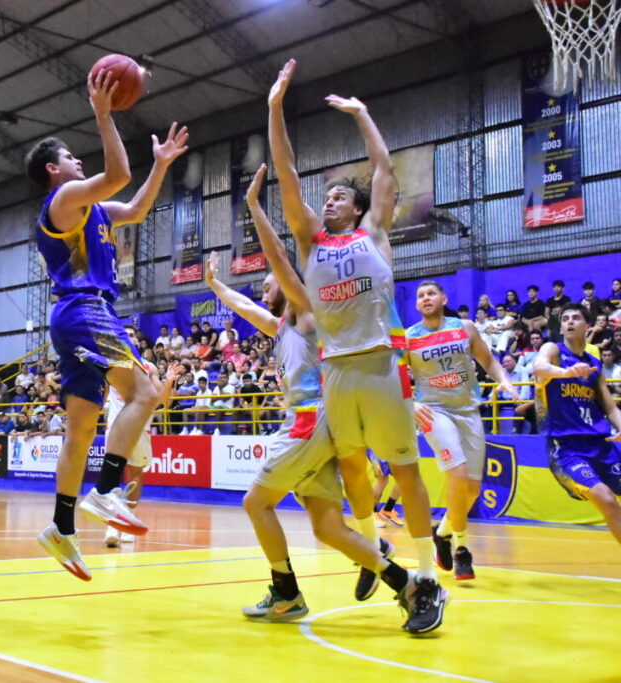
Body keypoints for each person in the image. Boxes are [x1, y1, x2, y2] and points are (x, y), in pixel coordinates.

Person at [203, 166, 439, 633]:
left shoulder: (310, 311)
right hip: (322, 425)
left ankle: (286, 593)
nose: (266, 287)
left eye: (269, 283)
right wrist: (216, 287)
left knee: (255, 503)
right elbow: (250, 309)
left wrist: (254, 210)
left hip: (311, 422)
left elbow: (283, 263)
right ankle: (407, 585)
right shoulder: (286, 325)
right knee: (327, 528)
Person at [268, 59, 446, 616]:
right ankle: (374, 556)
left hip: (381, 365)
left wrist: (363, 114)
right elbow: (287, 172)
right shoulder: (309, 242)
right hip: (337, 370)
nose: (330, 201)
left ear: (360, 207)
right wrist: (275, 106)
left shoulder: (375, 234)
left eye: (340, 197)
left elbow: (384, 169)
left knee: (406, 471)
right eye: (328, 198)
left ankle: (423, 574)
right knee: (351, 469)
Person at [24, 68, 190, 581]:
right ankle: (108, 489)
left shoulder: (93, 209)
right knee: (144, 392)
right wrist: (102, 113)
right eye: (72, 157)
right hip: (85, 310)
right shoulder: (62, 203)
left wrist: (160, 165)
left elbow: (136, 207)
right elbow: (117, 176)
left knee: (81, 429)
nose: (79, 161)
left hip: (79, 316)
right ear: (55, 170)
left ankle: (61, 526)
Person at [407, 281, 519, 581]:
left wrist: (504, 381)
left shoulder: (465, 327)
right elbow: (394, 378)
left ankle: (441, 533)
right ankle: (461, 549)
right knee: (456, 474)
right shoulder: (409, 338)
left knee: (470, 488)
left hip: (468, 409)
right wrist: (410, 404)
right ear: (417, 305)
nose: (425, 298)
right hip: (433, 411)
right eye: (420, 296)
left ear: (443, 299)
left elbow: (488, 360)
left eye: (431, 293)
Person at [533, 303, 621, 545]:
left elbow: (610, 406)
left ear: (588, 326)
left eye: (576, 318)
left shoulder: (594, 363)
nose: (569, 322)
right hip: (567, 450)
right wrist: (566, 373)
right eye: (565, 319)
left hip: (601, 445)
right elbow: (538, 368)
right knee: (606, 499)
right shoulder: (553, 350)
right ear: (560, 327)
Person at [103, 325, 181, 547]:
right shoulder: (112, 363)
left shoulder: (149, 367)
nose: (129, 338)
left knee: (136, 473)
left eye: (132, 336)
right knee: (113, 473)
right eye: (125, 335)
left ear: (137, 341)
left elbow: (161, 401)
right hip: (117, 425)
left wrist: (168, 382)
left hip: (141, 426)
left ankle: (127, 519)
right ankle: (112, 524)